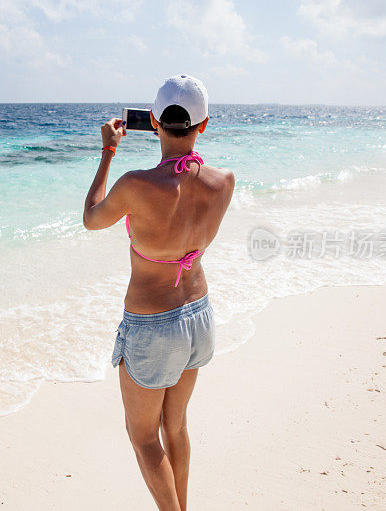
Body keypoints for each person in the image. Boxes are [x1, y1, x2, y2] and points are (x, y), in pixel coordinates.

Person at [83, 74, 234, 510]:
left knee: (144, 437)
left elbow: (92, 218)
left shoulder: (137, 185)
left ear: (152, 121)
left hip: (153, 326)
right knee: (176, 428)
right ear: (203, 124)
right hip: (198, 316)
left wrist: (108, 151)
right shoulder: (224, 182)